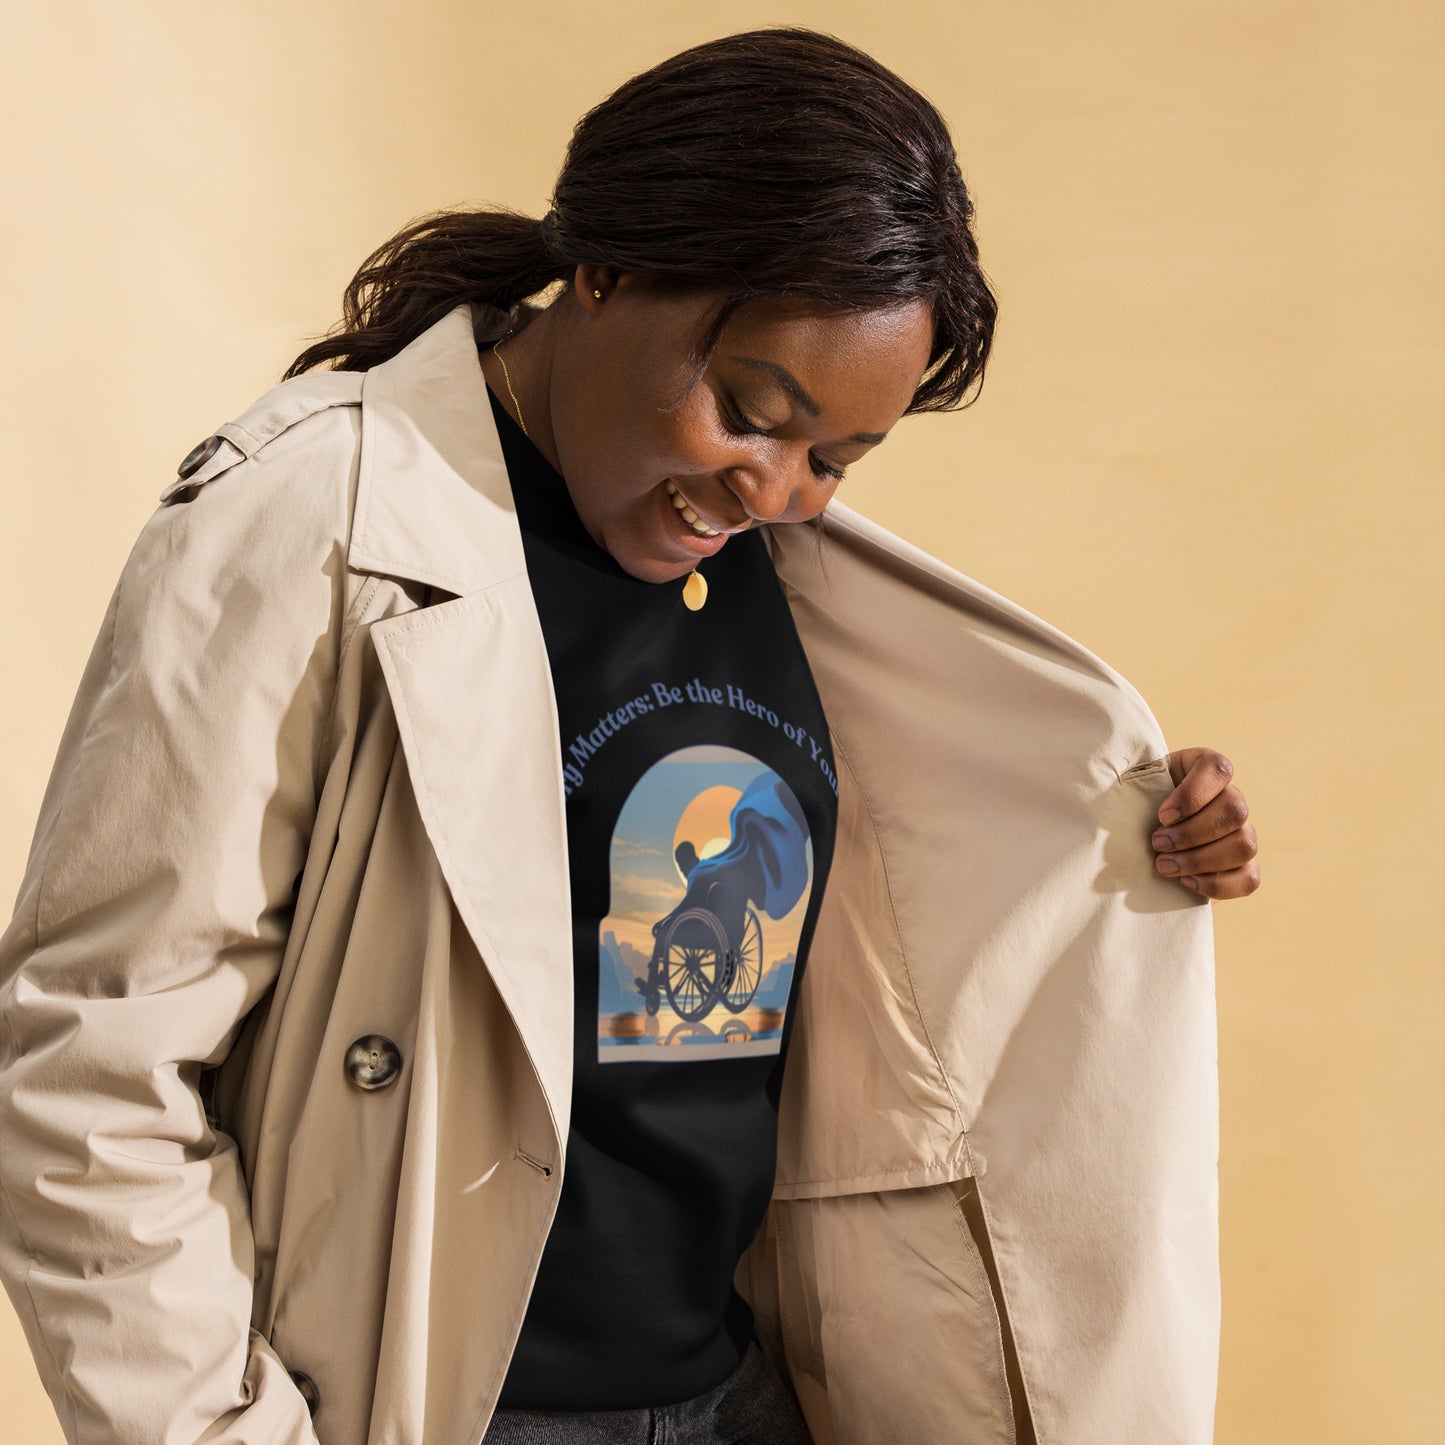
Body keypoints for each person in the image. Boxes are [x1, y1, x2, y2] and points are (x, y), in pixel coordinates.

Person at [0, 26, 1259, 1445]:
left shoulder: (784, 575)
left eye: (836, 459)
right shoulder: (310, 523)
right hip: (447, 1407)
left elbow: (901, 932)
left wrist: (1120, 830)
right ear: (606, 270)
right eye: (753, 411)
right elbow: (89, 1069)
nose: (775, 488)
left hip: (739, 1394)